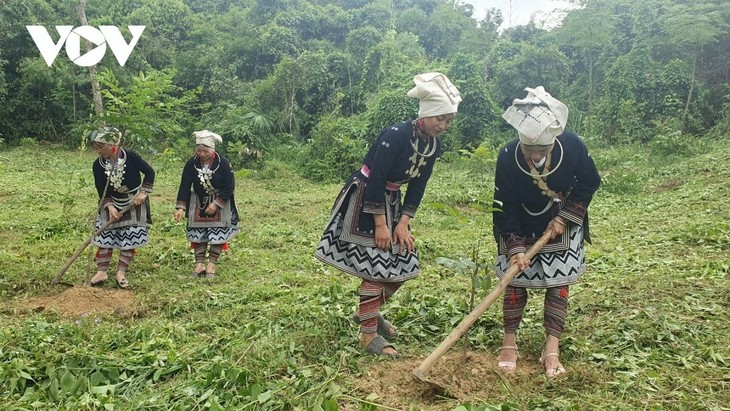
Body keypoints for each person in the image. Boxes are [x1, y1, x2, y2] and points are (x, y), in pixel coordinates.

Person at [315, 73, 462, 358]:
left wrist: (403, 224)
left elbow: (419, 185)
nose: (443, 125)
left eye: (449, 120)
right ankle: (368, 335)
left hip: (392, 201)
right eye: (439, 119)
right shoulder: (395, 135)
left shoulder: (433, 145)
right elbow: (376, 178)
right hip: (366, 198)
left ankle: (367, 312)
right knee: (376, 265)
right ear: (427, 113)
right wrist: (381, 224)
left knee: (404, 261)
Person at [492, 86, 600, 377]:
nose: (534, 156)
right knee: (514, 281)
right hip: (518, 222)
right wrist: (515, 246)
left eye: (542, 150)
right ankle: (509, 344)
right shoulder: (507, 156)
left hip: (559, 221)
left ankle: (551, 348)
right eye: (529, 150)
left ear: (554, 142)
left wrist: (565, 218)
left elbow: (590, 182)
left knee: (558, 283)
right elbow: (504, 204)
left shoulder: (573, 146)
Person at [89, 127, 155, 289]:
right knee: (105, 235)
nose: (98, 151)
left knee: (130, 237)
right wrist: (110, 207)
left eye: (101, 147)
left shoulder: (130, 157)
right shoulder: (98, 165)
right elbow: (101, 190)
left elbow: (150, 173)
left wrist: (143, 192)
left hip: (134, 202)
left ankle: (121, 273)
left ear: (112, 145)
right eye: (96, 148)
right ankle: (101, 272)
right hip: (112, 202)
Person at [174, 130, 239, 278]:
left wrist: (216, 203)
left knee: (218, 234)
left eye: (205, 150)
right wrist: (180, 207)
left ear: (213, 149)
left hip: (220, 200)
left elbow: (230, 186)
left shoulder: (223, 163)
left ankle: (211, 265)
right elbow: (185, 185)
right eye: (199, 150)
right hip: (198, 202)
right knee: (199, 234)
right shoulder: (192, 163)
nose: (202, 154)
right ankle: (199, 265)